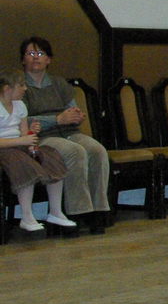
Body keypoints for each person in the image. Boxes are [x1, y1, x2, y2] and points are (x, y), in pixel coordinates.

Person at [20, 36, 108, 231]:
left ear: (48, 59)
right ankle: (78, 211)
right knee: (75, 151)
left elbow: (72, 110)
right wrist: (57, 119)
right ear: (23, 59)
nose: (36, 57)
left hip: (69, 131)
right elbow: (23, 120)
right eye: (31, 53)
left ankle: (99, 210)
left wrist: (75, 115)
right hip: (42, 137)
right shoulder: (19, 86)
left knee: (97, 150)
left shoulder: (59, 84)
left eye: (40, 53)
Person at [0, 68, 71, 233]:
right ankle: (26, 216)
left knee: (50, 156)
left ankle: (55, 211)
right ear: (7, 89)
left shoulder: (20, 105)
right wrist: (21, 141)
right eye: (21, 85)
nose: (25, 89)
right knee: (23, 162)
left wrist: (31, 133)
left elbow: (23, 132)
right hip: (4, 148)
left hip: (19, 145)